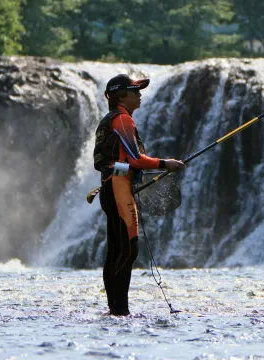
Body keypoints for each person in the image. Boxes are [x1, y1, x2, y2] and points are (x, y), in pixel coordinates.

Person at [93, 74, 185, 316]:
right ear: (121, 95)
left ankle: (115, 309)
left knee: (117, 249)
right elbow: (135, 159)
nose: (139, 95)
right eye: (135, 91)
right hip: (118, 189)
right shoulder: (123, 119)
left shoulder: (111, 119)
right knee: (128, 249)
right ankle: (120, 311)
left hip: (112, 188)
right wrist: (166, 163)